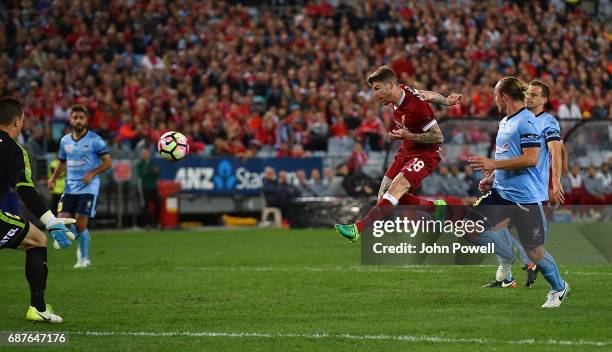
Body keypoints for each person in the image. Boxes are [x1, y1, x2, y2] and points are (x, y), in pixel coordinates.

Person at [467, 77, 569, 308]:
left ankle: (559, 288)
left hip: (525, 197)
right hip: (502, 192)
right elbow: (506, 155)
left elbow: (532, 158)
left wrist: (493, 164)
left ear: (503, 96)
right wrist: (492, 177)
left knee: (534, 252)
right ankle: (507, 255)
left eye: (495, 94)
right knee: (468, 228)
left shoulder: (528, 122)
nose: (494, 99)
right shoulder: (505, 121)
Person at [334, 65, 461, 241]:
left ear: (391, 85)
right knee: (384, 195)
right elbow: (425, 93)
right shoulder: (401, 93)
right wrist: (446, 101)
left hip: (424, 154)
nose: (375, 94)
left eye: (377, 88)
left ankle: (358, 229)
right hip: (406, 150)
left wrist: (407, 134)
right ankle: (434, 208)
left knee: (396, 188)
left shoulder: (417, 108)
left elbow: (438, 137)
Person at [0, 97, 76, 322]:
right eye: (22, 119)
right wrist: (51, 221)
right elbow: (25, 190)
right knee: (37, 239)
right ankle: (38, 308)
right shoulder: (14, 150)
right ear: (16, 121)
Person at [48, 105, 112, 268]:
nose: (78, 120)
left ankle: (84, 258)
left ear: (86, 120)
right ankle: (81, 245)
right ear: (70, 120)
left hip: (88, 188)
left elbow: (108, 162)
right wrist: (53, 178)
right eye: (75, 117)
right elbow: (62, 162)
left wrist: (92, 173)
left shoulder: (95, 140)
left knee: (80, 225)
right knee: (63, 223)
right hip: (70, 187)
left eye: (81, 117)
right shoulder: (65, 141)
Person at [137, 148, 161, 228]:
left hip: (153, 187)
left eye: (146, 154)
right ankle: (147, 223)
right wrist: (151, 171)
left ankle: (156, 222)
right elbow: (142, 174)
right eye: (143, 154)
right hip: (144, 187)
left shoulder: (152, 163)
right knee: (145, 206)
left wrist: (150, 171)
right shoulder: (140, 164)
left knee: (158, 203)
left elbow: (157, 173)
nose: (145, 155)